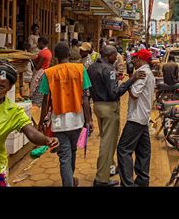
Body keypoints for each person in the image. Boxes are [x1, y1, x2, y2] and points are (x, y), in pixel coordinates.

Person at [87, 45, 146, 187]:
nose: (117, 58)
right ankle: (101, 179)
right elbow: (115, 92)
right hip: (109, 108)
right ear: (110, 55)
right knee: (107, 144)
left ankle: (108, 168)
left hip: (97, 106)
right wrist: (131, 80)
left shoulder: (91, 67)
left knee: (105, 140)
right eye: (115, 55)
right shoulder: (109, 70)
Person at [38, 42, 92, 187]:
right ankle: (70, 180)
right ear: (69, 55)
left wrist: (41, 121)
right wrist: (89, 120)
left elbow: (45, 101)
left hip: (59, 123)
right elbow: (85, 98)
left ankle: (68, 182)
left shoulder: (49, 73)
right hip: (77, 121)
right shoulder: (80, 69)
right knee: (72, 152)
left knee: (64, 156)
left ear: (55, 57)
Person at [117, 49, 156, 187]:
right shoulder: (149, 73)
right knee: (143, 151)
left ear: (140, 59)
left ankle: (128, 184)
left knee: (123, 150)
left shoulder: (142, 73)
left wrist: (130, 80)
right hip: (143, 117)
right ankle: (142, 181)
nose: (133, 61)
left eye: (135, 58)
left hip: (136, 118)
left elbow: (134, 94)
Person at [30, 37, 52, 107]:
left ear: (41, 43)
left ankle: (35, 113)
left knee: (36, 94)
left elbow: (37, 67)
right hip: (45, 73)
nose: (37, 45)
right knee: (41, 95)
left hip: (40, 73)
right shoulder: (48, 52)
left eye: (38, 43)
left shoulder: (43, 53)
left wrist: (31, 58)